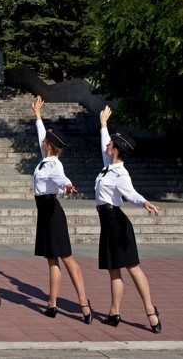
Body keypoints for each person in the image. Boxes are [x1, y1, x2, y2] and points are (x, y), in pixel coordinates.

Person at [96, 106, 161, 333]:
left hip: (117, 223)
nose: (107, 145)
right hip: (108, 222)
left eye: (110, 144)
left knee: (133, 268)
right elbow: (104, 140)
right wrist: (104, 123)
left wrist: (144, 202)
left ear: (115, 151)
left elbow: (131, 193)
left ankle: (150, 311)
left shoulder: (120, 173)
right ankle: (114, 312)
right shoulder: (108, 165)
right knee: (114, 269)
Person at [30, 96, 92, 322]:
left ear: (50, 145)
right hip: (44, 212)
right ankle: (52, 304)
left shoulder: (55, 164)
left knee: (66, 258)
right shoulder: (45, 159)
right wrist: (37, 115)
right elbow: (40, 135)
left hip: (52, 212)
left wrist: (67, 186)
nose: (43, 141)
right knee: (51, 259)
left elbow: (62, 179)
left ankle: (84, 303)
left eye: (46, 140)